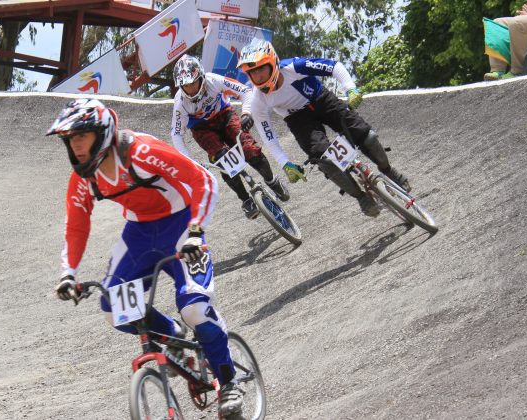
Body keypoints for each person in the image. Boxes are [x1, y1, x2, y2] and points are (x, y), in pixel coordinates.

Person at [48, 99, 243, 416]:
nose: (76, 146)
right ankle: (175, 336)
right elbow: (77, 224)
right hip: (139, 235)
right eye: (70, 139)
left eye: (81, 136)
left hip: (181, 225)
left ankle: (229, 381)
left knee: (195, 308)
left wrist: (196, 229)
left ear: (103, 133)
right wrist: (68, 273)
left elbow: (203, 179)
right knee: (115, 310)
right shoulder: (84, 177)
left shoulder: (140, 151)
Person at [236, 39, 411, 217]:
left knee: (367, 137)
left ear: (273, 63)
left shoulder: (294, 67)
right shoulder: (257, 100)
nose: (258, 77)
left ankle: (389, 171)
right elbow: (268, 136)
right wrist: (284, 163)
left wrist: (350, 89)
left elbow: (334, 66)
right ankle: (361, 197)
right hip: (298, 119)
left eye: (261, 70)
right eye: (252, 73)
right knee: (324, 161)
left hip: (322, 101)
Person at [170, 54, 291, 219]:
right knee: (222, 160)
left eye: (193, 83)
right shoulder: (180, 104)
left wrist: (246, 113)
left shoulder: (214, 80)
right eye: (185, 86)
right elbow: (176, 135)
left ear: (201, 77)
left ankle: (272, 181)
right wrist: (190, 161)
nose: (190, 89)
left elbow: (245, 91)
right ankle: (246, 200)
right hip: (202, 129)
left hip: (225, 116)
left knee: (249, 149)